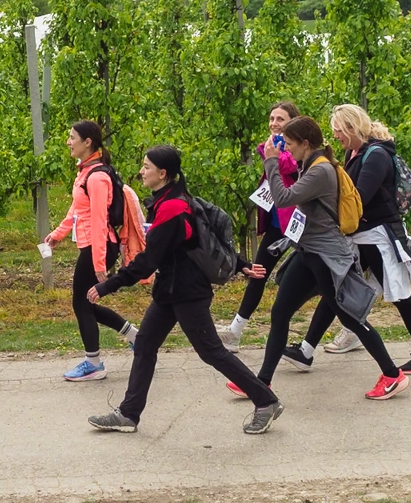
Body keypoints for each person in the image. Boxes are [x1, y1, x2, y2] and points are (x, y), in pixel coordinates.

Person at [84, 146, 286, 435]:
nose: (141, 171)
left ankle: (266, 401)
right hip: (170, 291)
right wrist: (240, 264)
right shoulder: (176, 199)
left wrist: (107, 285)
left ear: (162, 173)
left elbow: (148, 260)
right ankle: (128, 414)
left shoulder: (173, 207)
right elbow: (203, 238)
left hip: (187, 293)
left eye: (146, 167)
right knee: (144, 345)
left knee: (212, 352)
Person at [242, 116, 408, 401]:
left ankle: (393, 374)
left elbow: (283, 198)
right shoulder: (310, 163)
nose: (288, 150)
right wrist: (274, 148)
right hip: (308, 252)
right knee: (280, 312)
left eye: (291, 144)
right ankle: (262, 383)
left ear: (306, 144)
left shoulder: (320, 171)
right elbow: (290, 172)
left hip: (327, 257)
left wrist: (270, 161)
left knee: (349, 316)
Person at [292, 104, 411, 374]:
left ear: (351, 128)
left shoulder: (376, 156)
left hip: (378, 237)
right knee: (335, 290)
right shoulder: (355, 152)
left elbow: (358, 199)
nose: (335, 135)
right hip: (362, 236)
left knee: (400, 296)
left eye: (338, 130)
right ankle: (306, 350)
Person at [43, 120, 139, 382]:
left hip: (99, 246)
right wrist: (58, 234)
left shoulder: (96, 177)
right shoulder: (86, 172)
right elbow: (78, 211)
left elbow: (98, 221)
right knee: (85, 302)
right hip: (91, 245)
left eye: (72, 137)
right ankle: (134, 337)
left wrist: (98, 263)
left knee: (81, 301)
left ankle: (94, 362)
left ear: (88, 142)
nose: (68, 142)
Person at [224, 101, 299, 350]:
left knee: (326, 279)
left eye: (280, 119)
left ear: (293, 124)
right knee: (258, 272)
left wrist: (272, 152)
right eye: (272, 118)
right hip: (278, 224)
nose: (274, 123)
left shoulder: (298, 152)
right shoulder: (273, 148)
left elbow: (287, 165)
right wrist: (270, 150)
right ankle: (235, 331)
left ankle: (353, 326)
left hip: (300, 226)